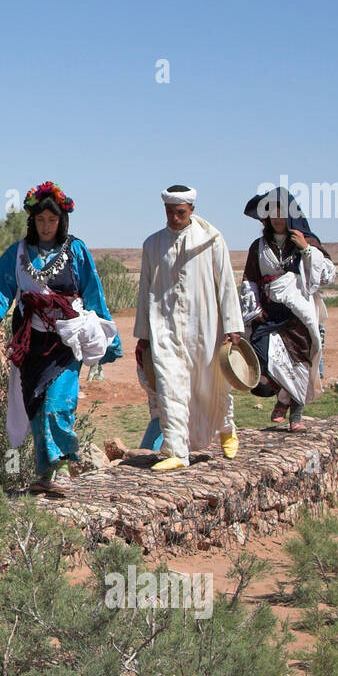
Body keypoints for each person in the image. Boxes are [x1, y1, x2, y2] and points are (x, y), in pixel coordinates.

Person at [0, 181, 121, 493]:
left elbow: (94, 292)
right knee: (36, 404)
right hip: (32, 342)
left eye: (52, 220)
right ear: (32, 221)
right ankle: (44, 473)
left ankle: (63, 466)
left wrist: (109, 340)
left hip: (67, 340)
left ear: (62, 221)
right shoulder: (19, 252)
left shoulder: (76, 251)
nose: (46, 226)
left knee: (57, 402)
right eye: (40, 220)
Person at [134, 185, 243, 472]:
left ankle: (226, 427)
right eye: (169, 212)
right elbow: (145, 290)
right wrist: (144, 335)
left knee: (209, 383)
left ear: (191, 210)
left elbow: (227, 285)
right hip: (164, 326)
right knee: (169, 386)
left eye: (180, 212)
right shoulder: (152, 245)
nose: (174, 217)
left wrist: (232, 326)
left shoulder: (212, 240)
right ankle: (177, 452)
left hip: (205, 325)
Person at [241, 187, 335, 432]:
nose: (277, 218)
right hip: (269, 311)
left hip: (299, 314)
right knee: (260, 351)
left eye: (281, 213)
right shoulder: (258, 246)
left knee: (300, 362)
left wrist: (306, 249)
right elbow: (250, 279)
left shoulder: (308, 242)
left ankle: (296, 416)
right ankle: (282, 392)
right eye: (272, 214)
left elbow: (327, 276)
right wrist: (254, 308)